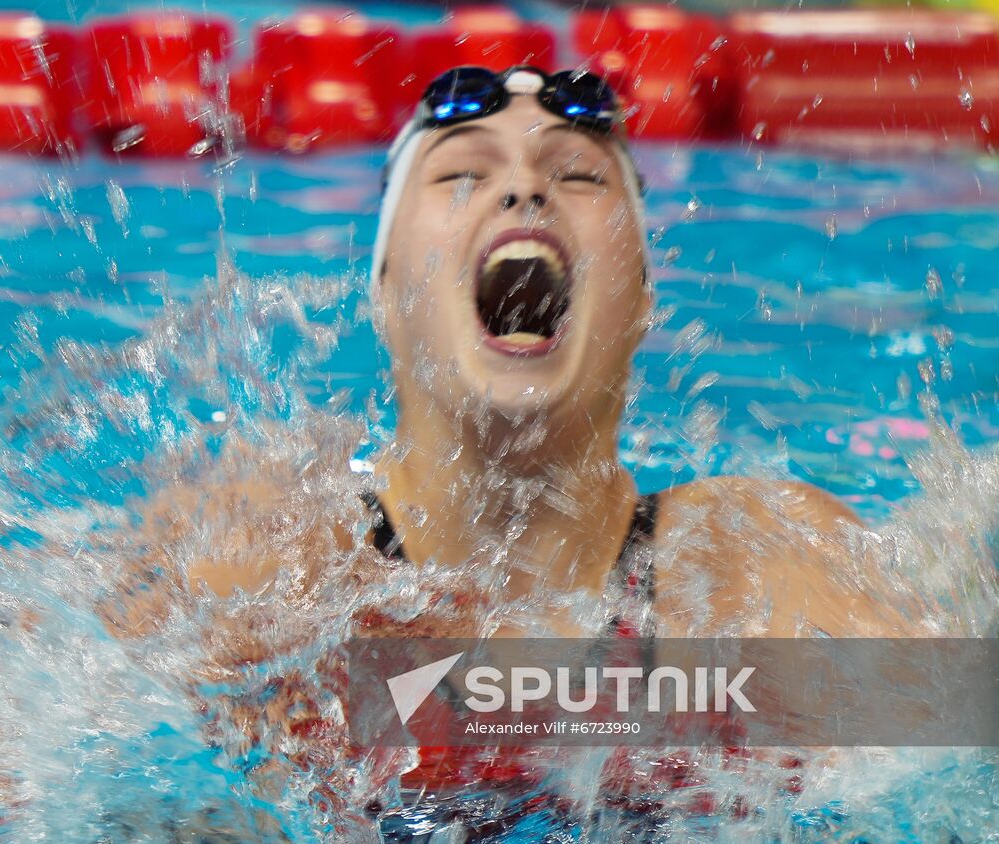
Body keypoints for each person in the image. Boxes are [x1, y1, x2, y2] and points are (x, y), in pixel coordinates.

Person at [181, 66, 915, 641]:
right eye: (463, 174)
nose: (526, 186)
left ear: (641, 302)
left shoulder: (756, 567)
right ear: (384, 293)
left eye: (578, 175)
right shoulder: (271, 553)